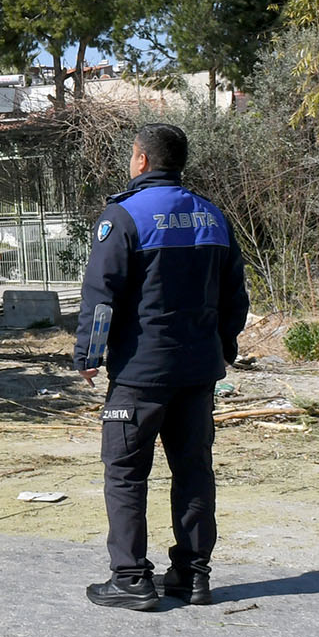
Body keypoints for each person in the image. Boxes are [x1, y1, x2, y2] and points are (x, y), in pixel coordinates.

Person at [76, 123, 250, 611]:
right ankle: (192, 576)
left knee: (126, 471)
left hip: (140, 375)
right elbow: (235, 294)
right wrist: (224, 348)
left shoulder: (124, 216)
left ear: (141, 160)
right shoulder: (212, 217)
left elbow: (101, 295)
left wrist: (89, 356)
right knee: (193, 470)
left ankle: (131, 577)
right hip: (197, 373)